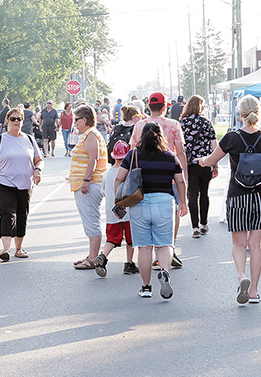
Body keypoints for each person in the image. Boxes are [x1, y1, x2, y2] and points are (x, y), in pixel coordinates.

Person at [199, 95, 261, 305]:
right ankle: (255, 291)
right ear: (259, 113)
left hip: (238, 195)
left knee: (239, 243)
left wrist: (202, 161)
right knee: (255, 244)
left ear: (240, 114)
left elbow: (211, 160)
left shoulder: (231, 138)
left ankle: (241, 277)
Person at [116, 122, 188, 299]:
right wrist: (183, 202)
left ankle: (146, 287)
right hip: (164, 202)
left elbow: (119, 178)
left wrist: (120, 201)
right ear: (160, 136)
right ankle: (164, 272)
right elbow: (180, 181)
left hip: (139, 203)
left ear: (142, 136)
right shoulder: (170, 156)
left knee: (144, 248)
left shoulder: (133, 155)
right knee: (165, 244)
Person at [130, 92, 188, 270]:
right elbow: (180, 151)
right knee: (172, 214)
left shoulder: (140, 125)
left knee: (145, 218)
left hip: (144, 178)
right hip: (168, 176)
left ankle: (151, 255)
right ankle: (169, 248)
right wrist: (183, 175)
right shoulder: (173, 124)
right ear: (165, 107)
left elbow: (132, 151)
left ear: (149, 107)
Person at [0, 106, 42, 260]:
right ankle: (6, 249)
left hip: (25, 184)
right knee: (8, 213)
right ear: (7, 120)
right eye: (13, 119)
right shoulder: (0, 139)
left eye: (19, 119)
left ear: (23, 120)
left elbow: (39, 160)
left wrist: (37, 170)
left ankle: (19, 248)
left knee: (22, 215)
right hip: (4, 183)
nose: (16, 121)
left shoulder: (29, 139)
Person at [69, 105, 107, 270]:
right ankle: (91, 255)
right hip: (86, 184)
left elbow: (93, 159)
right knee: (89, 220)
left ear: (84, 119)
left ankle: (93, 258)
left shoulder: (91, 134)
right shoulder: (88, 134)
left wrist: (86, 180)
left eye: (76, 119)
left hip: (90, 185)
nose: (74, 123)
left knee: (91, 221)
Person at [94, 141, 138, 278]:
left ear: (113, 156)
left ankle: (102, 255)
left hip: (112, 211)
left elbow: (103, 192)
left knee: (112, 238)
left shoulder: (106, 174)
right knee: (131, 240)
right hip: (129, 211)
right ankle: (129, 264)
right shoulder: (129, 172)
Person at [179, 95, 219, 239]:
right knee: (204, 193)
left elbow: (179, 146)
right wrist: (216, 165)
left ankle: (194, 227)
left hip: (189, 164)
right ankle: (203, 224)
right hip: (205, 162)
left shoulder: (182, 123)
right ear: (200, 107)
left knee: (192, 194)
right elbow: (214, 146)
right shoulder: (207, 123)